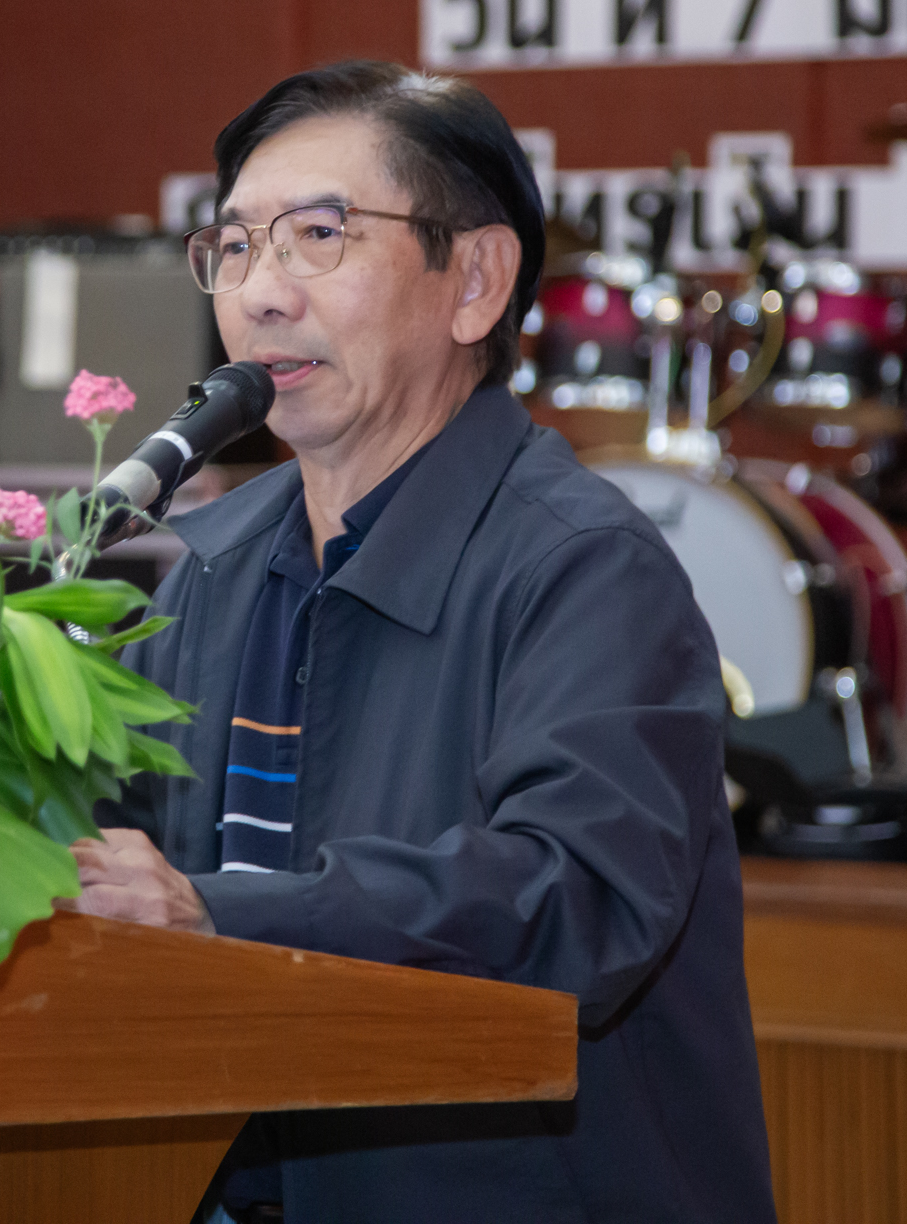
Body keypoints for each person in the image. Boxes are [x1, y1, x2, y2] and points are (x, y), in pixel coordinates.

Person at [74, 61, 776, 1223]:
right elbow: (106, 835)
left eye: (318, 235)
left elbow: (574, 894)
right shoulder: (209, 566)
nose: (261, 292)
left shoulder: (590, 569)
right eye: (235, 246)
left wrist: (219, 914)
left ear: (476, 282)